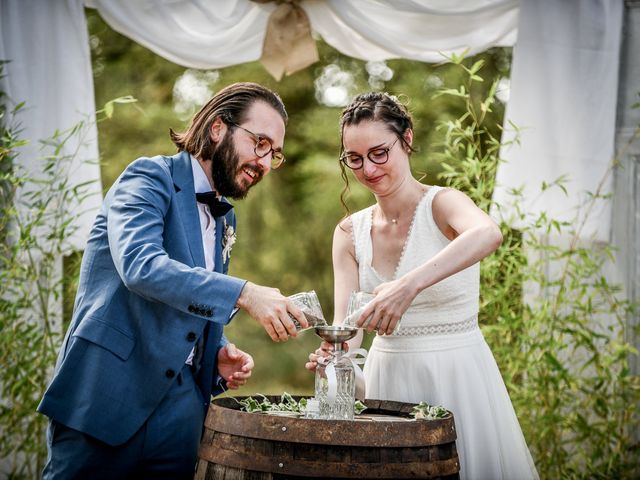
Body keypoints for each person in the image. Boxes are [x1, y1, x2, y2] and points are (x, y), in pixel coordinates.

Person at [38, 82, 308, 479]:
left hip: (182, 411)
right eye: (260, 143)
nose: (265, 162)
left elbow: (188, 297)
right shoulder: (148, 178)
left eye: (274, 154)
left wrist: (216, 350)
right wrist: (245, 293)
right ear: (218, 128)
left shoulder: (225, 218)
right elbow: (141, 267)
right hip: (105, 395)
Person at [306, 92, 538, 479]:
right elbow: (351, 328)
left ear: (407, 139)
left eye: (380, 152)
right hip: (388, 382)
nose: (368, 168)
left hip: (458, 376)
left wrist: (407, 286)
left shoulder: (444, 205)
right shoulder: (348, 233)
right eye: (355, 159)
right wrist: (335, 356)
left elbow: (488, 233)